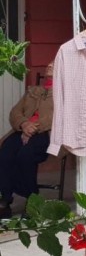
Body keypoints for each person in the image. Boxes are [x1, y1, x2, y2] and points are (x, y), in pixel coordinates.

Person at [0, 61, 55, 218]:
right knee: (6, 152)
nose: (49, 65)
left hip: (47, 133)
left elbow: (59, 117)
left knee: (25, 155)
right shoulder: (33, 91)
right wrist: (24, 124)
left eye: (55, 64)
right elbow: (15, 112)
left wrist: (33, 128)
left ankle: (33, 200)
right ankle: (5, 199)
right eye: (49, 64)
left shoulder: (66, 93)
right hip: (22, 130)